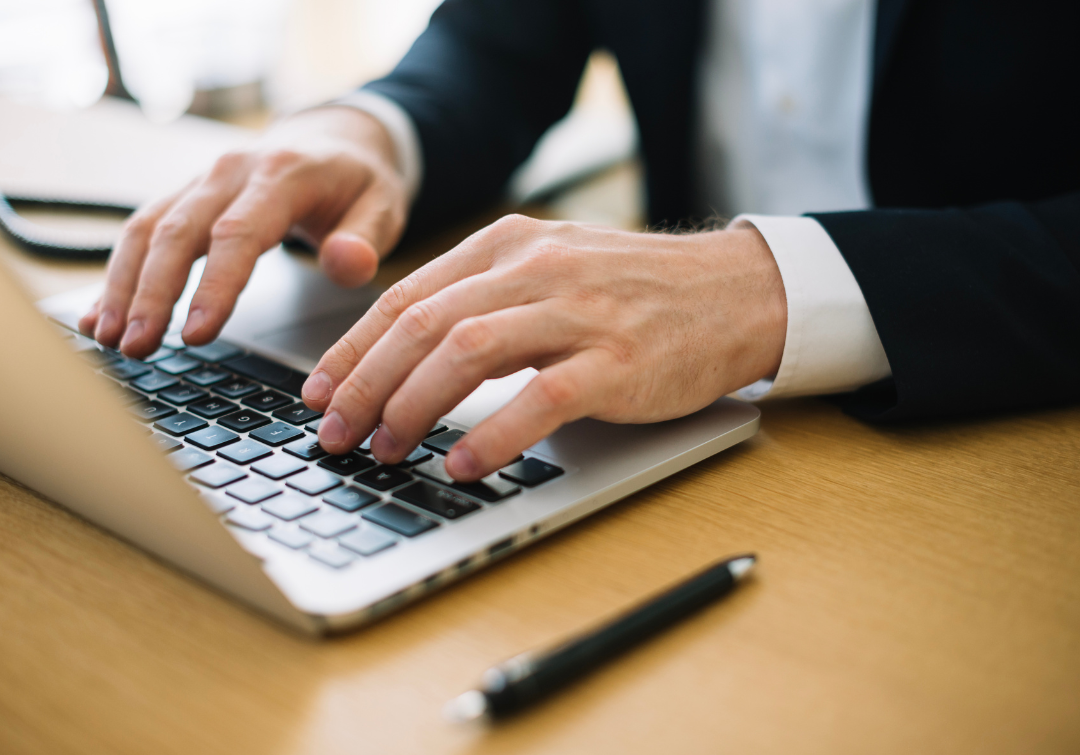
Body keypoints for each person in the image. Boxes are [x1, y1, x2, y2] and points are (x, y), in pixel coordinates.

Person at [79, 0, 1080, 484]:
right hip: (681, 436)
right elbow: (499, 44)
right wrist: (369, 130)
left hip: (1002, 452)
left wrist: (775, 286)